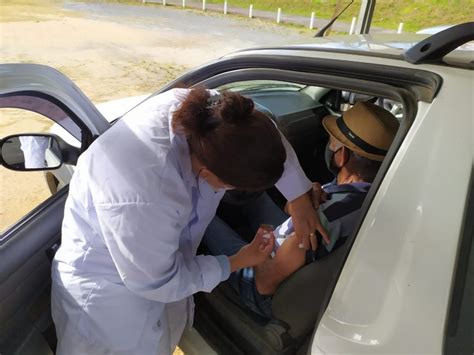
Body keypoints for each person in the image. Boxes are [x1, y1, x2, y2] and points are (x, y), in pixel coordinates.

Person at [51, 87, 325, 355]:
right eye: (229, 186)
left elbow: (265, 131)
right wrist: (236, 260)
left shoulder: (218, 116)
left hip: (154, 269)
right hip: (110, 301)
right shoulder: (144, 188)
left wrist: (300, 199)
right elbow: (159, 282)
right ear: (206, 174)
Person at [203, 101, 399, 318]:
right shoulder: (367, 195)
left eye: (333, 142)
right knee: (256, 196)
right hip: (285, 248)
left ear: (342, 155)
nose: (329, 145)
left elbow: (264, 283)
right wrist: (305, 194)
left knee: (204, 217)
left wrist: (252, 254)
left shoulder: (327, 218)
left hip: (261, 285)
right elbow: (292, 209)